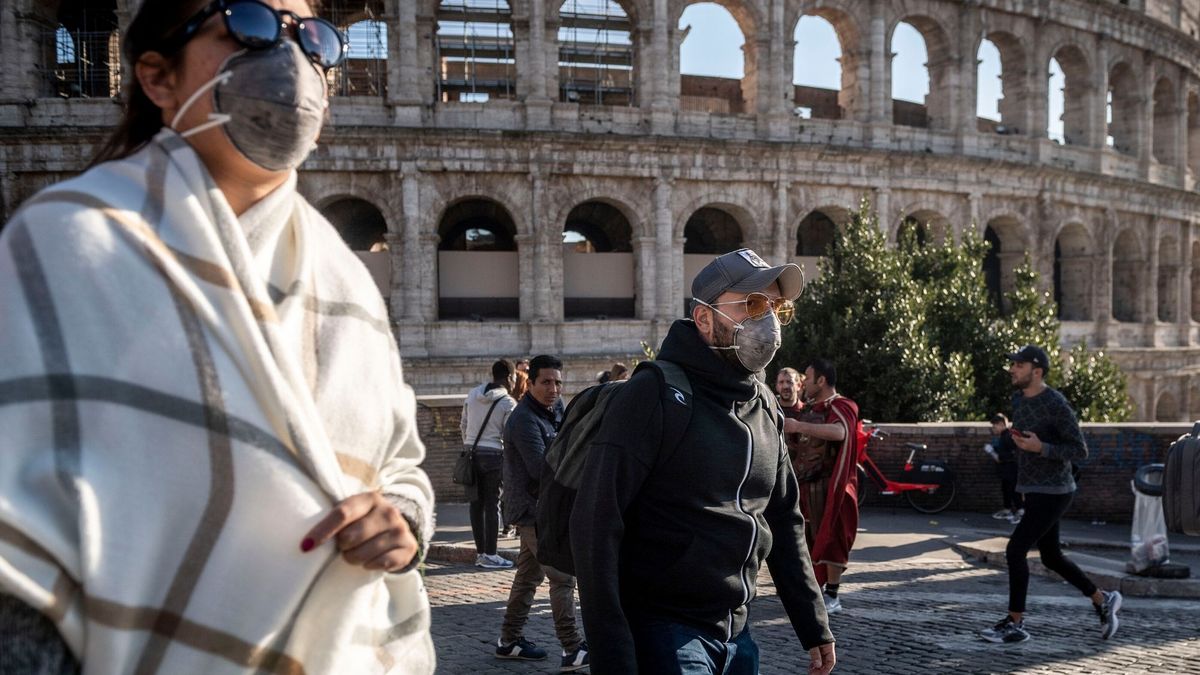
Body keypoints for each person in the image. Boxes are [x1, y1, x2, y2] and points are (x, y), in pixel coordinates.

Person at [0, 1, 435, 672]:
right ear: (158, 77)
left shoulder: (347, 282)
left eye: (314, 40)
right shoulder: (64, 244)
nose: (292, 60)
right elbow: (17, 554)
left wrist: (401, 521)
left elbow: (401, 462)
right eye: (251, 23)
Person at [572, 248, 836, 675]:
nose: (766, 319)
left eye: (776, 308)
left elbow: (784, 518)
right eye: (752, 304)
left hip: (738, 637)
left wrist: (813, 623)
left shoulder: (766, 406)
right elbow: (595, 525)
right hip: (664, 632)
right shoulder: (653, 395)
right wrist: (612, 653)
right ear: (704, 318)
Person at [979, 345, 1122, 644]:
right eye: (1012, 364)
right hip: (1032, 489)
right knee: (1052, 556)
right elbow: (1026, 436)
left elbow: (1079, 450)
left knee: (1015, 551)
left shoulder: (1056, 404)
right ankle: (1102, 599)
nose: (1012, 369)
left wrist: (1040, 448)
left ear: (1037, 371)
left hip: (1055, 491)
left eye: (1019, 365)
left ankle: (1015, 623)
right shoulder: (1018, 400)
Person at [497, 355, 589, 671]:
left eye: (558, 383)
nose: (554, 389)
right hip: (531, 511)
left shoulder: (554, 411)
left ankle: (509, 641)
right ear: (531, 383)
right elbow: (540, 469)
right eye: (546, 382)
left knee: (528, 576)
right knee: (562, 576)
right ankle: (572, 647)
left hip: (548, 508)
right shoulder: (523, 420)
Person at [786, 358, 862, 614]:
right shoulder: (810, 409)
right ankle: (813, 590)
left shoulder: (842, 406)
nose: (804, 382)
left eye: (807, 378)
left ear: (821, 380)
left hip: (830, 486)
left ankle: (833, 595)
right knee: (807, 539)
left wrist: (798, 425)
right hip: (806, 483)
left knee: (831, 537)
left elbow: (841, 433)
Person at [462, 360, 518, 569]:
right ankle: (491, 554)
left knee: (475, 504)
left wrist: (470, 445)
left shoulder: (472, 394)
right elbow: (509, 435)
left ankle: (480, 554)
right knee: (492, 503)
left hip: (471, 452)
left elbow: (464, 424)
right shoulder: (508, 403)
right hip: (494, 455)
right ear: (509, 377)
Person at [985, 413, 1024, 524]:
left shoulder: (1008, 436)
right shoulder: (1004, 436)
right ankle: (1008, 510)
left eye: (995, 426)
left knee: (1013, 490)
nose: (993, 428)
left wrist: (992, 452)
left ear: (1001, 424)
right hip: (1006, 470)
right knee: (1006, 489)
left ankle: (1021, 512)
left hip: (1011, 469)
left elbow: (1011, 454)